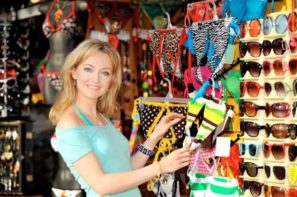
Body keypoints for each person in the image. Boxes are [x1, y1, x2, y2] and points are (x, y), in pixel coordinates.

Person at [49, 39, 191, 197]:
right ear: (74, 72)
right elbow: (101, 185)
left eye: (105, 72)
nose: (96, 79)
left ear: (111, 80)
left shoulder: (101, 117)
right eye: (88, 69)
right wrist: (160, 167)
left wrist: (154, 137)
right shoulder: (70, 123)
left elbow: (127, 170)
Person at [40, 0, 88, 105]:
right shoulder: (46, 7)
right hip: (50, 69)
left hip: (70, 69)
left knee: (72, 113)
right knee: (50, 114)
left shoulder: (79, 5)